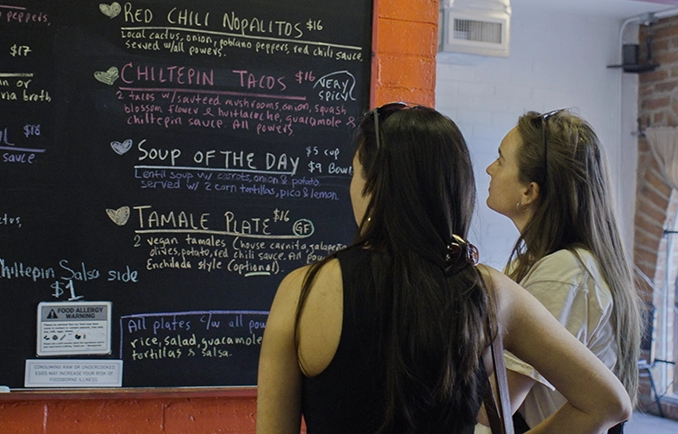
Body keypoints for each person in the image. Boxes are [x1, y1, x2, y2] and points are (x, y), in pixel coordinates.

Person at [257, 103, 631, 434]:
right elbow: (608, 403)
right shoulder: (490, 291)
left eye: (356, 173)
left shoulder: (301, 290)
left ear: (376, 184)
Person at [483, 109, 642, 431]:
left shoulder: (565, 274)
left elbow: (495, 408)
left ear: (529, 191)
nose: (489, 169)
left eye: (500, 160)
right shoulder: (542, 264)